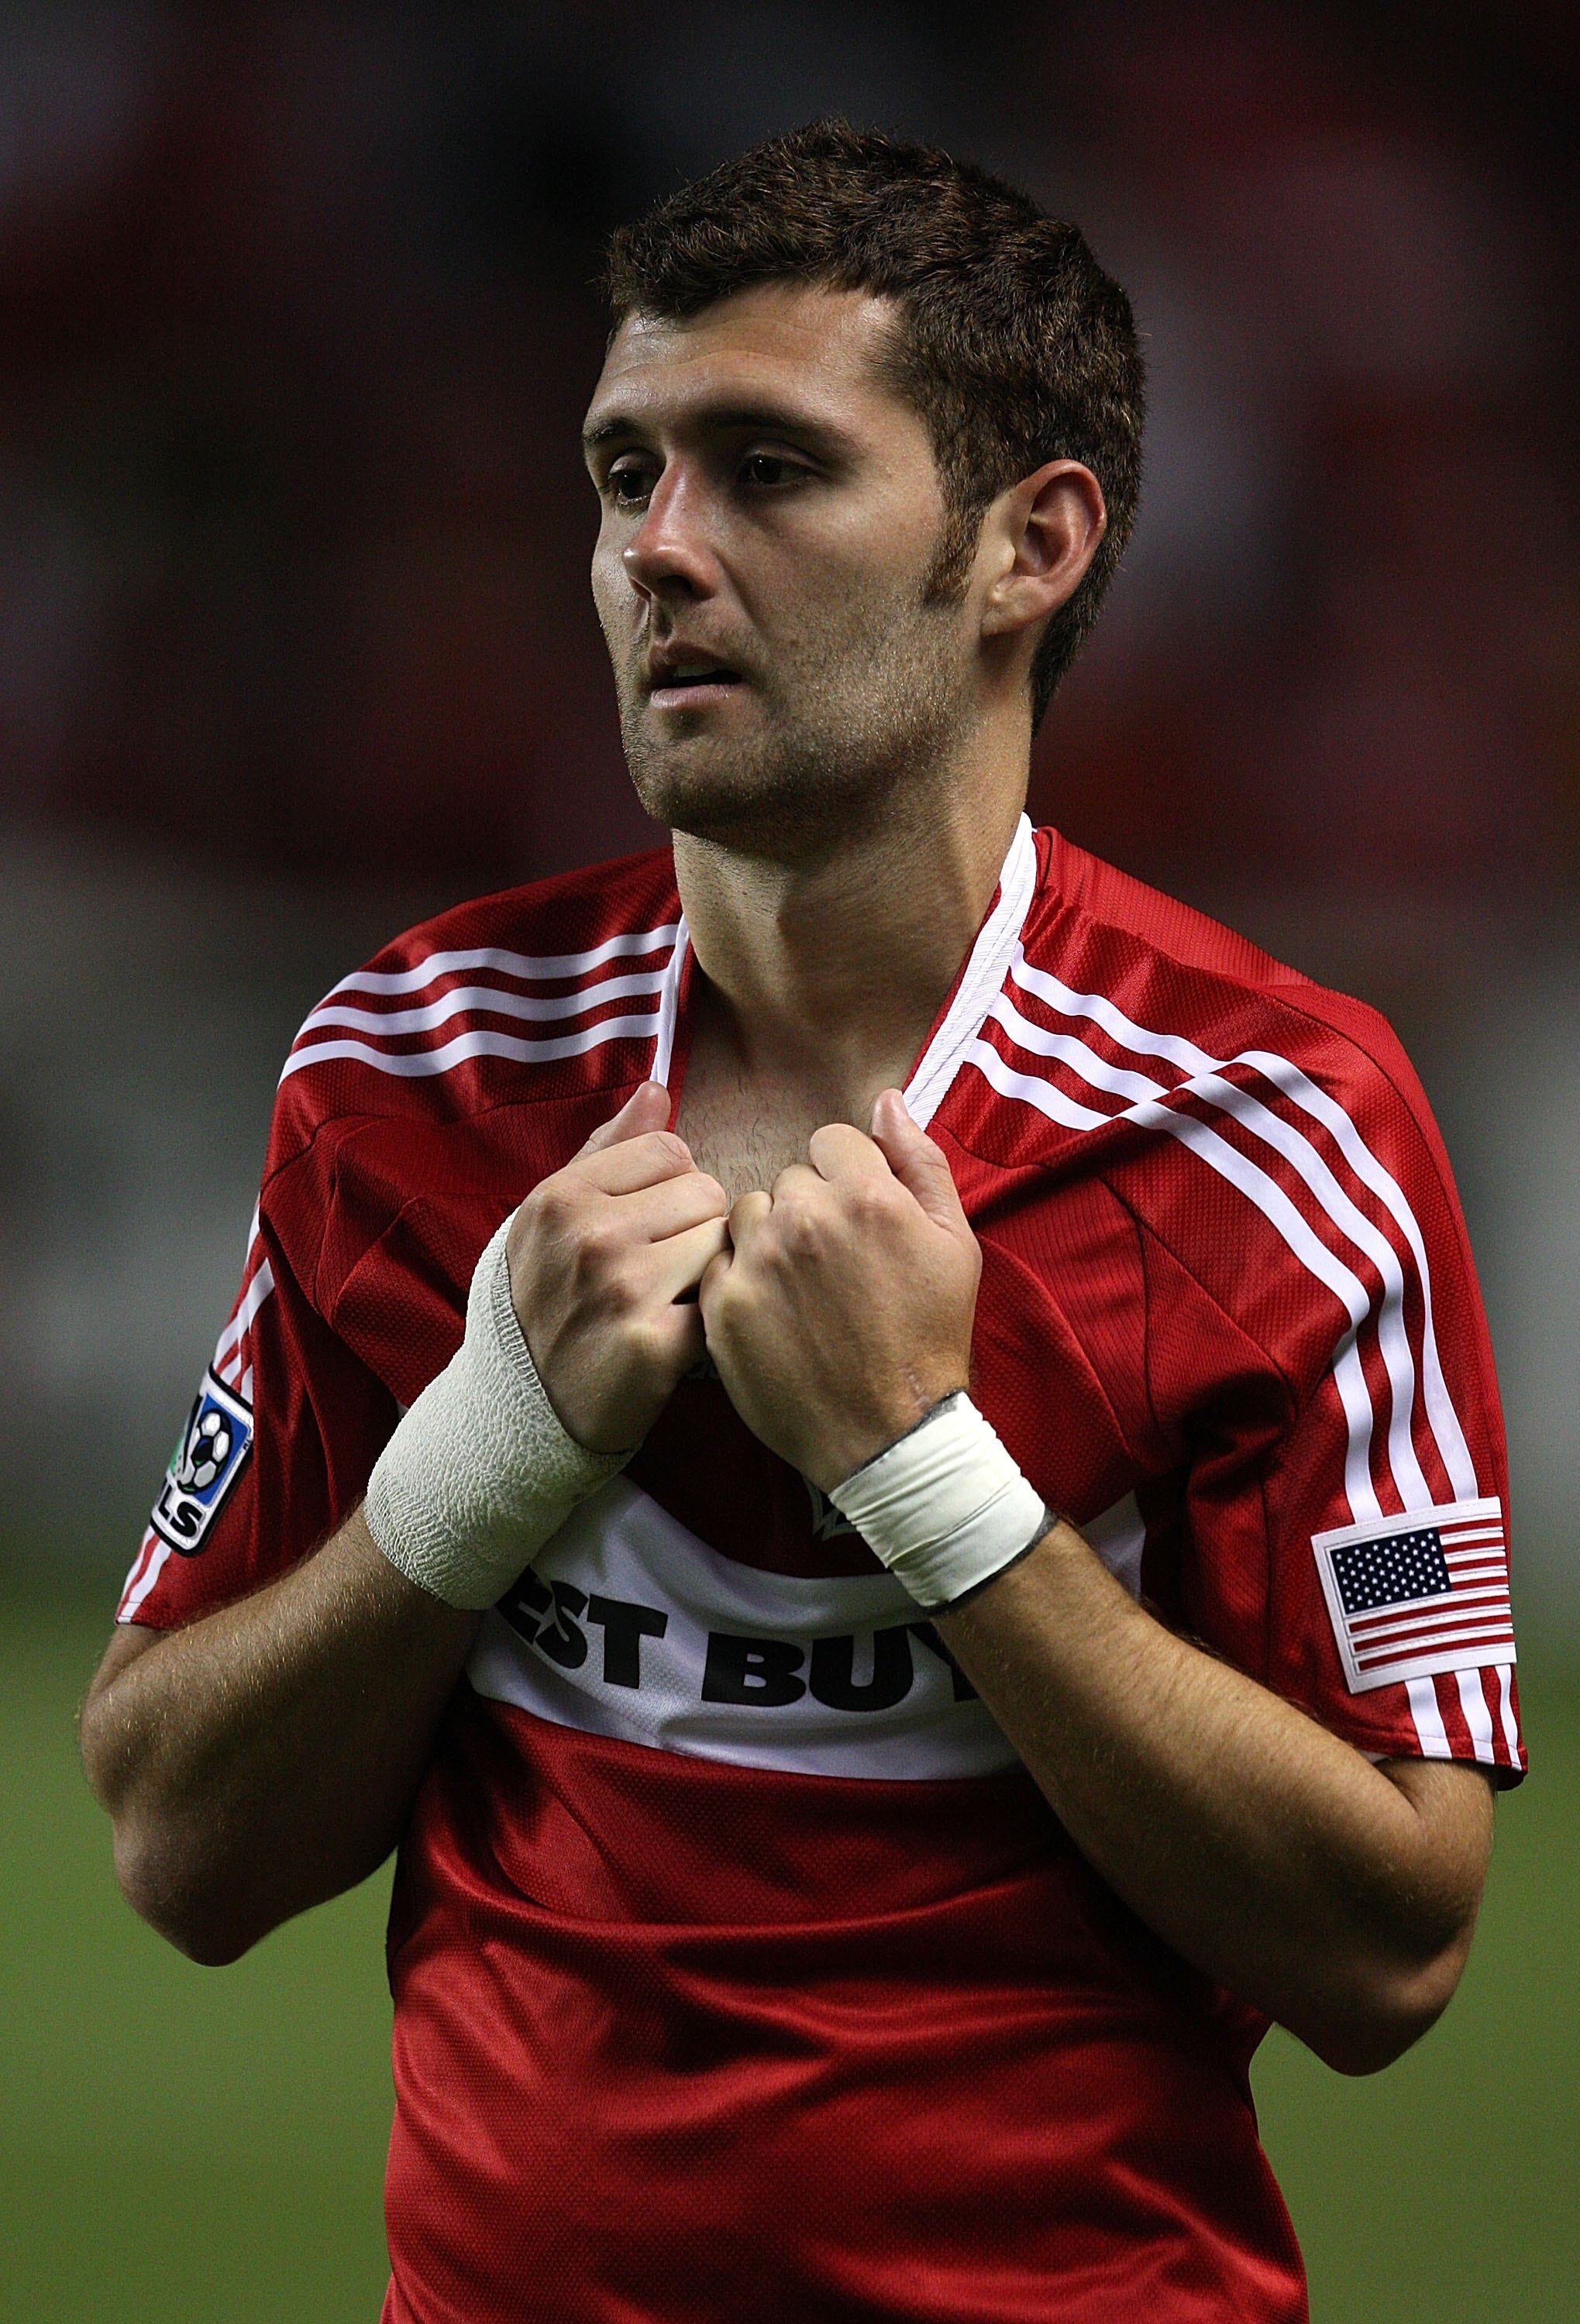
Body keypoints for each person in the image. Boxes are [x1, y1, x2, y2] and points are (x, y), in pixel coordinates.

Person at [81, 121, 1522, 2324]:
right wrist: (477, 1463)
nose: (658, 551)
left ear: (1029, 546)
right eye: (620, 473)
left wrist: (922, 1475)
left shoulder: (1266, 1129)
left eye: (768, 469)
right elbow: (175, 1839)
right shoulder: (413, 1074)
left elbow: (1390, 1944)